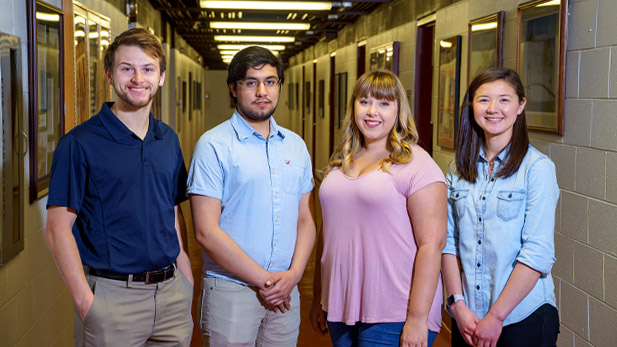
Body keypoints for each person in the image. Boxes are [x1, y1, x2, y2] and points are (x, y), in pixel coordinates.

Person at [45, 28, 193, 346]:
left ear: (162, 76)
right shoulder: (79, 144)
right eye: (127, 68)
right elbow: (57, 230)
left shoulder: (168, 140)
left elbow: (171, 212)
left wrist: (187, 277)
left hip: (172, 297)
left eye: (148, 69)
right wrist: (88, 303)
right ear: (110, 75)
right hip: (113, 301)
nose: (138, 78)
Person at [187, 46, 316, 346]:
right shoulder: (213, 145)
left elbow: (306, 219)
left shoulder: (295, 146)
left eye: (270, 82)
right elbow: (206, 231)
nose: (262, 91)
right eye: (250, 82)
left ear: (280, 86)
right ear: (233, 88)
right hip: (231, 292)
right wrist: (265, 280)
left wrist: (294, 276)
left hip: (286, 293)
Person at [310, 70, 446, 347]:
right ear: (353, 107)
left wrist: (418, 317)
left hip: (394, 310)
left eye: (384, 103)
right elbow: (329, 232)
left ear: (398, 110)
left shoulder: (416, 163)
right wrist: (317, 297)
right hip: (342, 304)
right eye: (364, 101)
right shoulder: (342, 160)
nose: (372, 111)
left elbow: (432, 244)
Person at [442, 67, 560, 347]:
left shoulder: (537, 169)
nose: (493, 109)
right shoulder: (456, 170)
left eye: (504, 100)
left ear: (521, 106)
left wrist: (496, 317)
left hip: (522, 318)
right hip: (467, 318)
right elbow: (448, 243)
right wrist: (457, 305)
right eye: (483, 100)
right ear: (471, 106)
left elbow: (537, 253)